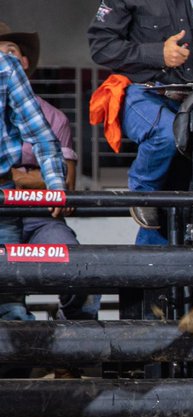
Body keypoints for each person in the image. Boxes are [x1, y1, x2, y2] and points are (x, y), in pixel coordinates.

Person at [87, 0, 193, 245]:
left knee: (189, 178)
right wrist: (158, 54)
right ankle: (143, 197)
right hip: (142, 92)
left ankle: (164, 268)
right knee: (167, 134)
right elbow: (101, 46)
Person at [0, 23, 96, 322]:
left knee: (77, 267)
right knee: (9, 303)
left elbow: (64, 179)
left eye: (11, 50)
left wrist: (45, 183)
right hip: (10, 202)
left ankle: (69, 353)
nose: (5, 55)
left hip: (36, 214)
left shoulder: (52, 115)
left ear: (23, 61)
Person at [0, 40, 65, 323]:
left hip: (3, 197)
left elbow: (41, 135)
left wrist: (56, 188)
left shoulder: (4, 67)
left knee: (9, 303)